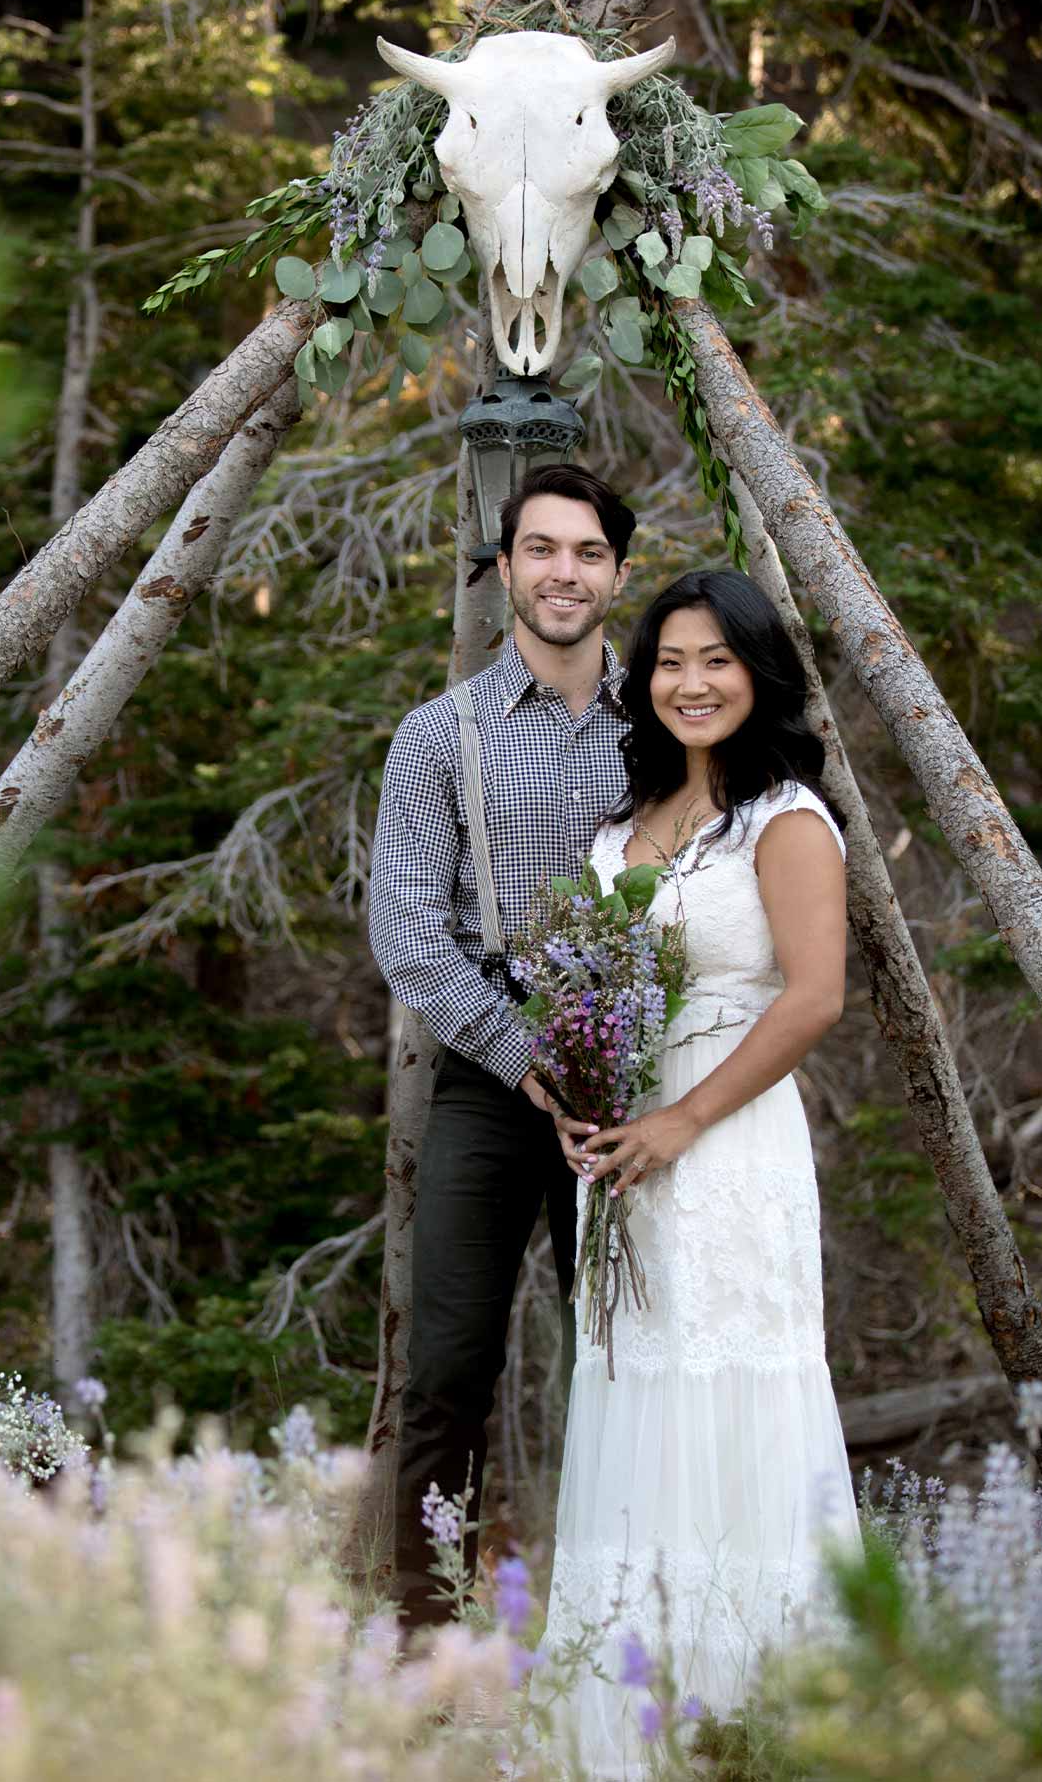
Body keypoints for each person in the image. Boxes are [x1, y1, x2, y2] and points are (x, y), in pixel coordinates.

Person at [533, 569, 862, 1776]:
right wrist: (583, 1104)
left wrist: (684, 1117)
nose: (691, 681)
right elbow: (585, 996)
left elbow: (814, 995)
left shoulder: (786, 818)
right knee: (640, 1392)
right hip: (627, 1154)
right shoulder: (622, 830)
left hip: (731, 1141)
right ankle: (633, 1724)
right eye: (670, 660)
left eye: (716, 658)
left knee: (736, 1387)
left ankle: (756, 1718)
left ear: (757, 669)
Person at [368, 463, 638, 1634]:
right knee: (448, 1367)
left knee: (632, 1367)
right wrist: (526, 1050)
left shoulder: (671, 723)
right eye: (541, 549)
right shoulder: (441, 735)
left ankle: (616, 1620)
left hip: (636, 1090)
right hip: (490, 1078)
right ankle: (429, 1639)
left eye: (586, 551)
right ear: (506, 566)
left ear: (618, 572)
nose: (563, 571)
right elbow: (407, 928)